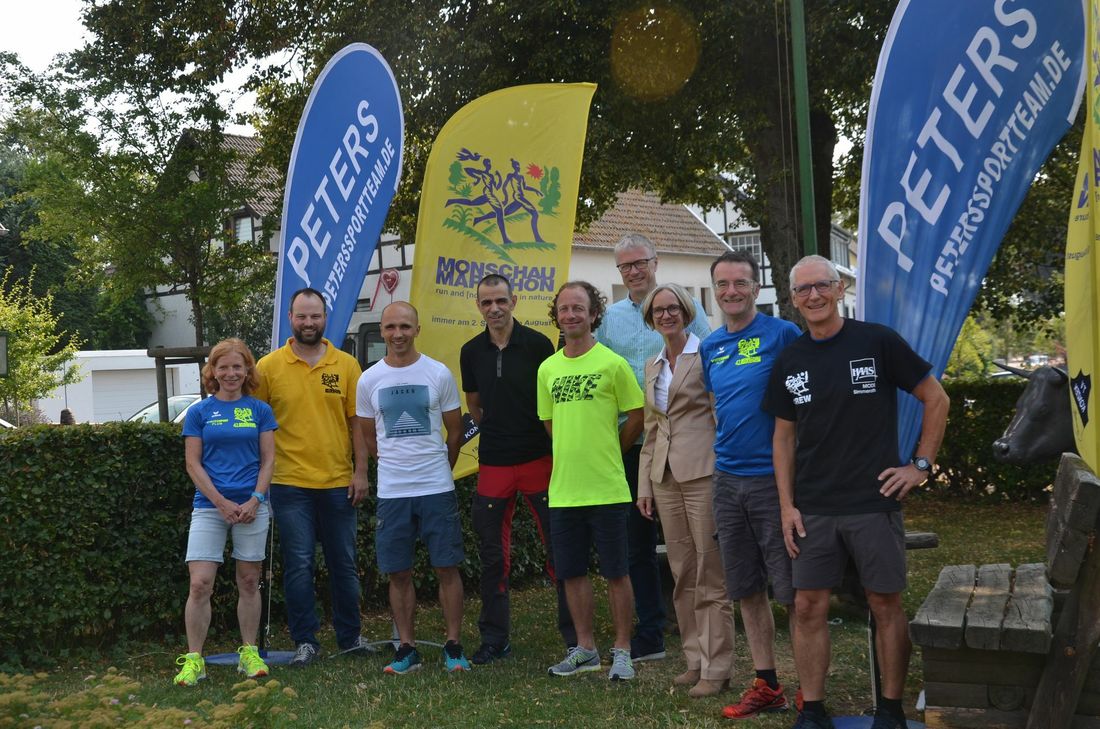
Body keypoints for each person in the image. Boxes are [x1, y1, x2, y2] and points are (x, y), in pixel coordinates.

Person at [762, 255, 950, 729]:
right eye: (803, 290)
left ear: (839, 288)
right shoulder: (791, 358)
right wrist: (786, 506)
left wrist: (920, 467)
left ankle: (889, 710)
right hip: (814, 508)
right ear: (793, 299)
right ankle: (814, 711)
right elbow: (783, 438)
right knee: (807, 607)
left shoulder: (877, 341)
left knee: (884, 603)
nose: (813, 296)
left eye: (821, 286)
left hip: (873, 503)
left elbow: (936, 398)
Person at [595, 232, 711, 662]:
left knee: (694, 544)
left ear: (655, 261)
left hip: (684, 446)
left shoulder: (683, 309)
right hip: (632, 446)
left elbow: (710, 361)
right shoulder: (610, 320)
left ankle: (703, 630)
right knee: (636, 545)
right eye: (624, 265)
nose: (633, 271)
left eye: (639, 262)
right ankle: (651, 632)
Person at [699, 251, 801, 719]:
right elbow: (720, 404)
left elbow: (807, 402)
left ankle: (809, 689)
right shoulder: (711, 345)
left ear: (755, 288)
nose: (731, 291)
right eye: (723, 284)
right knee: (745, 588)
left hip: (773, 481)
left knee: (792, 590)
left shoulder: (783, 334)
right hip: (727, 479)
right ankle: (767, 684)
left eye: (740, 282)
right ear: (715, 291)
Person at [459, 274, 576, 664]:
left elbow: (551, 401)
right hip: (494, 460)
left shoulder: (538, 344)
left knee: (559, 548)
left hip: (539, 458)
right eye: (487, 302)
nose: (494, 308)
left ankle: (575, 638)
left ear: (514, 301)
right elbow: (475, 405)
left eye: (501, 301)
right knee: (493, 555)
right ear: (478, 305)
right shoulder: (470, 351)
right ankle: (495, 639)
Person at [254, 287, 371, 667]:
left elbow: (357, 425)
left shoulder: (347, 365)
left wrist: (361, 471)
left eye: (315, 316)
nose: (309, 323)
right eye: (302, 316)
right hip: (289, 485)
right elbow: (258, 426)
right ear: (290, 318)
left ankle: (350, 637)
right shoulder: (267, 367)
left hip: (339, 482)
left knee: (344, 564)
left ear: (325, 317)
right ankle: (306, 641)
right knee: (299, 565)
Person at [538, 281, 645, 681]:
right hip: (565, 489)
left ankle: (622, 650)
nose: (571, 315)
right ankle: (585, 649)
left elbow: (636, 414)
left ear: (593, 314)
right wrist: (574, 450)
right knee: (571, 572)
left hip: (608, 487)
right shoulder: (548, 368)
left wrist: (609, 450)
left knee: (617, 571)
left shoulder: (612, 364)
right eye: (564, 309)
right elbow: (549, 423)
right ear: (558, 316)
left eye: (578, 308)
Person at [357, 301, 471, 674]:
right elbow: (369, 435)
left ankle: (453, 645)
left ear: (417, 329)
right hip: (393, 492)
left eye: (405, 326)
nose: (398, 334)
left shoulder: (438, 374)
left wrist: (440, 467)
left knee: (446, 567)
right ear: (383, 331)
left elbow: (455, 432)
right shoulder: (369, 380)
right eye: (390, 327)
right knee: (398, 572)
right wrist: (390, 464)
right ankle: (406, 648)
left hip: (436, 487)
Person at [635, 283, 733, 698]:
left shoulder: (707, 353)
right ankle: (694, 659)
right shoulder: (652, 364)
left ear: (687, 311)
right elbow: (652, 427)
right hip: (665, 478)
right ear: (650, 318)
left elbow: (720, 415)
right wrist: (645, 485)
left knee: (711, 573)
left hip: (704, 472)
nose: (666, 315)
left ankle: (718, 666)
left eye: (673, 307)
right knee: (682, 572)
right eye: (658, 310)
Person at [174, 338, 277, 686]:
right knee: (200, 584)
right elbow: (192, 462)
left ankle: (249, 653)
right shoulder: (200, 412)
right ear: (212, 372)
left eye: (237, 366)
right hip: (209, 507)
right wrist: (220, 502)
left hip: (251, 508)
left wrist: (255, 500)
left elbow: (268, 461)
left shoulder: (260, 410)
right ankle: (194, 660)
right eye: (224, 367)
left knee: (249, 581)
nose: (231, 373)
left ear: (247, 370)